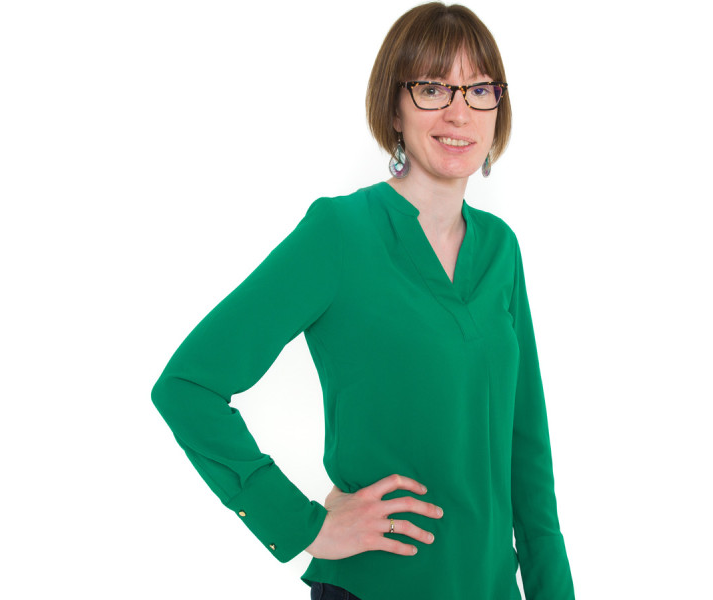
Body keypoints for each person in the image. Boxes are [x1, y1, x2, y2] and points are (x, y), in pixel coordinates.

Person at [151, 3, 575, 599]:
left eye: (480, 90)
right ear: (394, 107)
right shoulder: (339, 233)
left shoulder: (500, 249)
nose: (459, 112)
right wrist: (302, 526)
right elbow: (186, 387)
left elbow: (527, 455)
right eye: (433, 88)